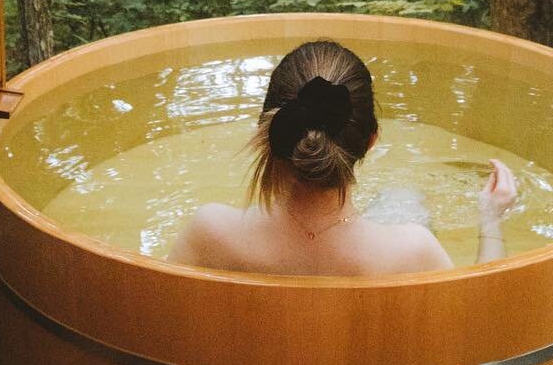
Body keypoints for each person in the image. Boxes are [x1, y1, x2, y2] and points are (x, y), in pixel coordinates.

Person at [167, 39, 519, 276]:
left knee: (400, 199)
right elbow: (486, 327)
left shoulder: (210, 233)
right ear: (371, 141)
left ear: (265, 130)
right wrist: (490, 218)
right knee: (404, 199)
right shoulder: (412, 253)